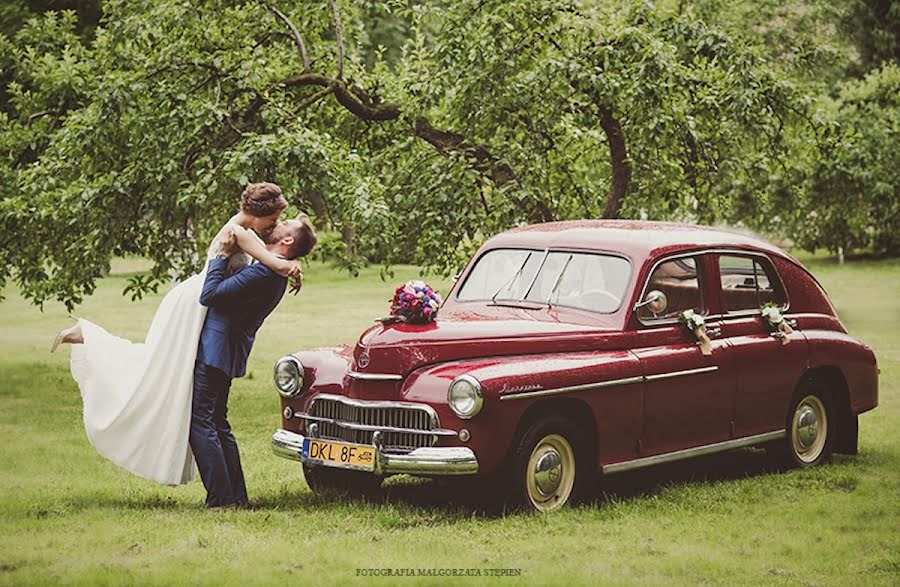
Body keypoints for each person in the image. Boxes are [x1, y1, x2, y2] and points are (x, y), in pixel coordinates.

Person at [51, 182, 305, 486]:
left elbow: (264, 260)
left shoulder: (250, 233)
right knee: (159, 367)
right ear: (257, 213)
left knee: (162, 369)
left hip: (205, 313)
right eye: (274, 219)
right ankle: (89, 337)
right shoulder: (237, 231)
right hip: (190, 305)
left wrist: (288, 263)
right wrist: (286, 264)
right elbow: (266, 261)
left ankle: (89, 336)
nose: (274, 225)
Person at [191, 217, 316, 508]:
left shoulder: (264, 273)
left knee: (201, 420)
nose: (279, 222)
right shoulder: (273, 269)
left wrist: (220, 258)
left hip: (217, 349)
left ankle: (222, 499)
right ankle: (235, 497)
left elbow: (210, 295)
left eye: (286, 223)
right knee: (217, 421)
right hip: (227, 350)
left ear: (287, 241)